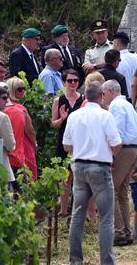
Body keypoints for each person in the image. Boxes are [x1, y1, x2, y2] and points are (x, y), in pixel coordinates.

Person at [63, 81, 122, 265]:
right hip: (99, 167)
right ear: (102, 96)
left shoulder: (74, 116)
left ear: (86, 96)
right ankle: (106, 261)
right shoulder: (105, 116)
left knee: (77, 216)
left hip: (79, 167)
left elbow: (66, 146)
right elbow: (116, 144)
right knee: (105, 217)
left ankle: (75, 260)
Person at [102, 80, 137, 246]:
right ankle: (125, 230)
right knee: (122, 192)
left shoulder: (116, 106)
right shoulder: (128, 105)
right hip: (133, 150)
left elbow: (116, 132)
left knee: (110, 190)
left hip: (123, 150)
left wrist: (111, 154)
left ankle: (119, 232)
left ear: (110, 91)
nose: (103, 98)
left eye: (103, 94)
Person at [52, 68, 84, 216]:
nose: (72, 83)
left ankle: (79, 210)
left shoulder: (83, 99)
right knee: (65, 178)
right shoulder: (58, 100)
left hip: (80, 142)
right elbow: (54, 124)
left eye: (75, 80)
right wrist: (62, 118)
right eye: (69, 80)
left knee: (80, 178)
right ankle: (64, 210)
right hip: (63, 142)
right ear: (64, 82)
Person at [5, 78, 38, 186]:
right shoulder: (20, 109)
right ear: (11, 91)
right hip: (23, 145)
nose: (23, 91)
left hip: (7, 148)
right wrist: (34, 143)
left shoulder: (2, 108)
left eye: (24, 88)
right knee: (28, 179)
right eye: (20, 89)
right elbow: (30, 130)